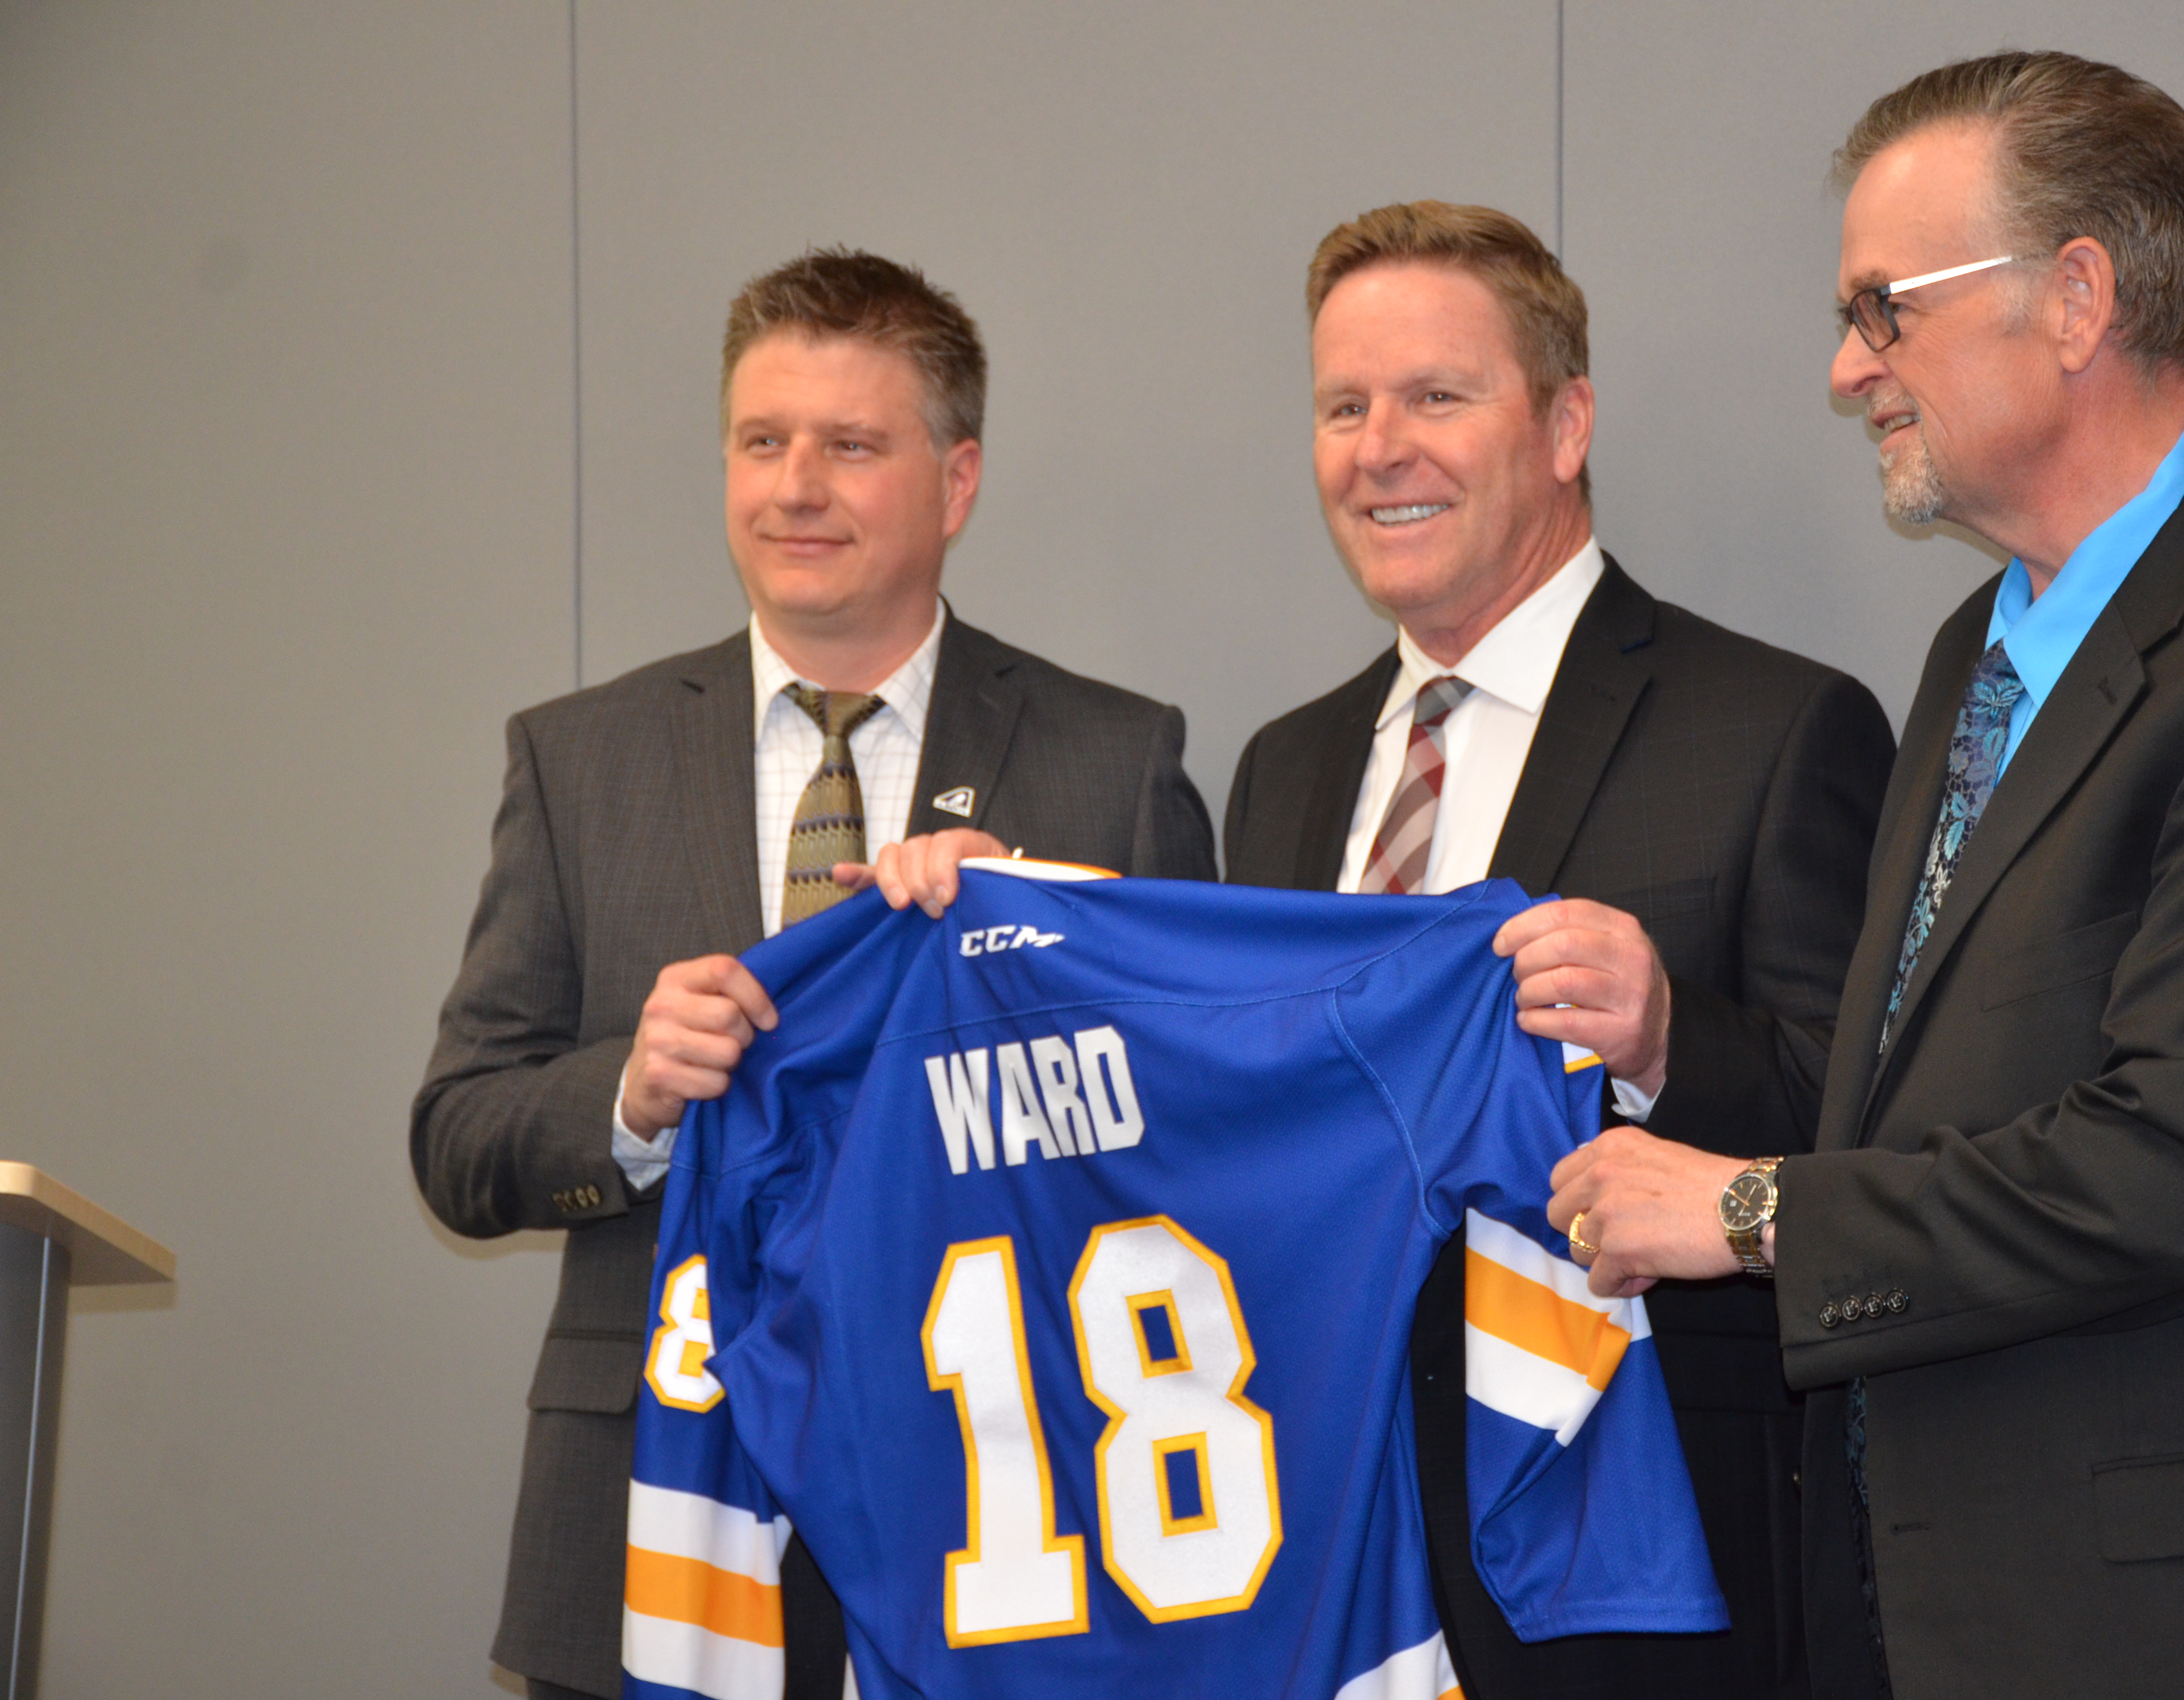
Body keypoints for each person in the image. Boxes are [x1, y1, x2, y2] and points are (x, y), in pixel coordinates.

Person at [1546, 51, 2184, 1700]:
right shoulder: (1977, 657)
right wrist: (1693, 1076)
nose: (1842, 369)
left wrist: (1746, 1212)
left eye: (1885, 310)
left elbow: (2172, 1170)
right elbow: (1926, 1110)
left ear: (2078, 297)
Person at [412, 247, 1216, 1700]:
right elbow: (459, 1139)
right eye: (762, 441)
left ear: (957, 482)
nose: (797, 487)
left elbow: (1200, 1138)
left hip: (1003, 1529)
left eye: (852, 445)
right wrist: (630, 1101)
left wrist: (1036, 951)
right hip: (645, 1529)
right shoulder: (579, 757)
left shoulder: (1115, 761)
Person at [1226, 201, 1894, 1700]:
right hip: (1329, 1573)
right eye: (1345, 406)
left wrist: (1666, 1048)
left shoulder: (1779, 728)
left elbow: (1876, 1142)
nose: (1379, 447)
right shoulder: (1283, 768)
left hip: (1637, 1596)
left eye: (1437, 397)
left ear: (1568, 421)